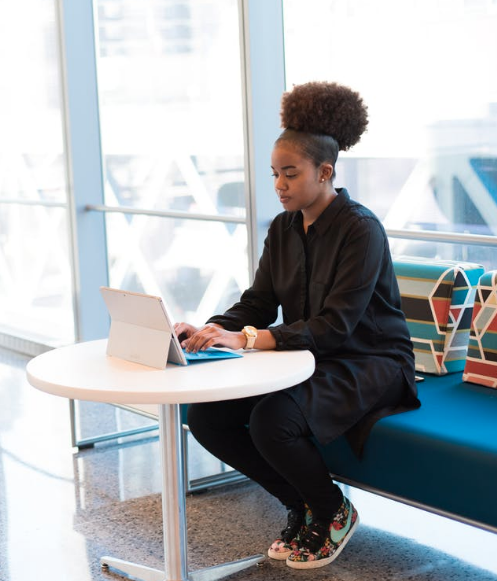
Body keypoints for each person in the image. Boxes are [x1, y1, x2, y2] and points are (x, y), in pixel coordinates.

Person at [174, 81, 421, 570]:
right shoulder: (284, 228)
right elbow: (259, 301)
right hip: (308, 356)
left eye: (290, 174)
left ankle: (333, 511)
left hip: (371, 361)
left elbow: (337, 325)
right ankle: (302, 505)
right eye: (275, 174)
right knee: (206, 417)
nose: (279, 185)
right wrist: (208, 330)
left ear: (325, 172)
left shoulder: (361, 229)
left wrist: (248, 339)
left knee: (274, 420)